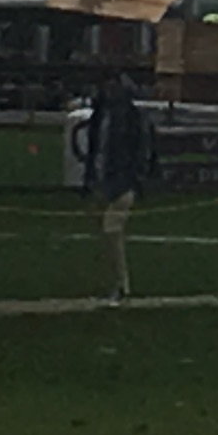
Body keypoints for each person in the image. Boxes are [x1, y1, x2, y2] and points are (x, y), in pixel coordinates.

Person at [82, 64, 157, 302]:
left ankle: (121, 286)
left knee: (111, 230)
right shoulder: (100, 114)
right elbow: (95, 150)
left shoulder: (131, 116)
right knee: (107, 235)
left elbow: (142, 149)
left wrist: (136, 178)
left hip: (123, 181)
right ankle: (114, 283)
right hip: (104, 180)